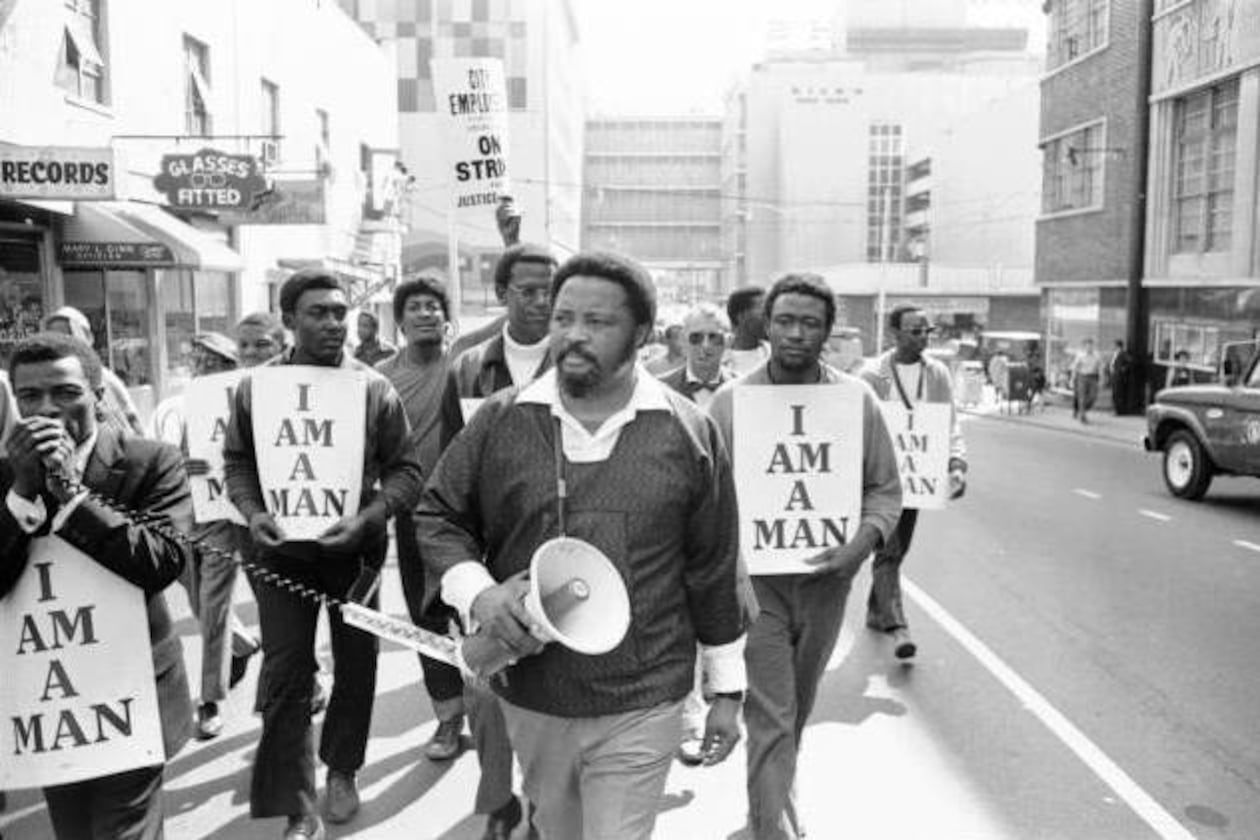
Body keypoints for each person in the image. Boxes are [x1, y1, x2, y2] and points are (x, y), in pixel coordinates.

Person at [419, 251, 748, 840]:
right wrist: (481, 595)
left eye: (597, 323)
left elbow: (714, 564)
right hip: (534, 690)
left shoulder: (690, 432)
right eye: (563, 317)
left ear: (643, 335)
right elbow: (438, 514)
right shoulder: (501, 420)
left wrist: (726, 687)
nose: (573, 334)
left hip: (645, 695)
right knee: (555, 826)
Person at [223, 269, 424, 840]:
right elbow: (237, 462)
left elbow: (405, 473)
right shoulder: (254, 389)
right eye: (318, 312)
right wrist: (251, 509)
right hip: (282, 553)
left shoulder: (374, 389)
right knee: (287, 671)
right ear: (289, 321)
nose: (333, 322)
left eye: (339, 312)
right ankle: (297, 802)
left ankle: (342, 770)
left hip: (354, 553)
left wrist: (369, 518)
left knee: (356, 661)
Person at [707, 272, 902, 840]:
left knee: (795, 710)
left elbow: (885, 489)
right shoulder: (729, 402)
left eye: (810, 323)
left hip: (825, 587)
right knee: (771, 715)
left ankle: (764, 813)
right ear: (766, 326)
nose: (796, 333)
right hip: (755, 590)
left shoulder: (855, 399)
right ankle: (775, 830)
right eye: (785, 321)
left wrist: (860, 545)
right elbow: (707, 502)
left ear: (827, 331)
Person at [0, 331, 194, 838]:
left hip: (130, 693)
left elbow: (162, 562)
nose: (47, 408)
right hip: (50, 702)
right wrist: (22, 492)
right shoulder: (5, 473)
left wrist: (70, 494)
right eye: (30, 396)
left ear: (97, 394)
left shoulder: (152, 461)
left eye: (65, 392)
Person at [438, 240, 560, 840]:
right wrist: (461, 586)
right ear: (502, 295)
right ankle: (498, 804)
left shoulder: (578, 361)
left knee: (547, 706)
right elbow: (444, 488)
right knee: (484, 695)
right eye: (529, 290)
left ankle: (541, 811)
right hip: (487, 568)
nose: (542, 301)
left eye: (551, 289)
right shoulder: (466, 367)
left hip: (561, 562)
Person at [373, 276, 470, 768]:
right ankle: (449, 715)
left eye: (435, 306)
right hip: (413, 517)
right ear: (401, 319)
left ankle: (496, 715)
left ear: (447, 317)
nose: (426, 314)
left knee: (479, 615)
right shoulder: (379, 377)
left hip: (473, 514)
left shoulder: (468, 366)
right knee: (426, 617)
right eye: (416, 307)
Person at [148, 332, 261, 740]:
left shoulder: (252, 399)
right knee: (205, 604)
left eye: (212, 359)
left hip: (243, 516)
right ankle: (228, 670)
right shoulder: (185, 405)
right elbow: (168, 457)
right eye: (198, 357)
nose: (203, 364)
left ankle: (215, 696)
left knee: (242, 605)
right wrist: (185, 465)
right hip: (199, 517)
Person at [657, 301, 738, 766]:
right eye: (697, 337)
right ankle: (689, 721)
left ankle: (723, 700)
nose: (706, 347)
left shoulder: (747, 394)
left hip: (730, 524)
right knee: (683, 619)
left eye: (716, 338)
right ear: (681, 341)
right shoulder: (658, 391)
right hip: (678, 526)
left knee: (723, 617)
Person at [861, 306, 966, 660]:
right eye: (915, 331)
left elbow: (949, 422)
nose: (923, 337)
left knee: (897, 550)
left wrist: (956, 461)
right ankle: (897, 627)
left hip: (916, 479)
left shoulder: (936, 373)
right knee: (888, 552)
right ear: (894, 334)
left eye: (927, 331)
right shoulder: (872, 375)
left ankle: (877, 611)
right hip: (879, 480)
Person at [43, 306, 145, 436]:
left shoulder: (104, 378)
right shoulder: (44, 380)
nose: (59, 342)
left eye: (66, 335)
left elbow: (131, 418)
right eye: (53, 336)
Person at [723, 284, 770, 378]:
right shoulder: (717, 357)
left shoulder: (774, 357)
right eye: (764, 313)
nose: (769, 318)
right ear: (741, 316)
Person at [1071, 338, 1103, 423]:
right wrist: (1072, 379)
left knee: (1093, 396)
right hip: (1082, 376)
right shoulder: (1080, 355)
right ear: (1084, 347)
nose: (1089, 348)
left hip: (1093, 377)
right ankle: (1083, 416)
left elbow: (1100, 368)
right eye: (1088, 346)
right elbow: (1075, 367)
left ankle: (1082, 409)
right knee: (1082, 397)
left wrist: (1101, 379)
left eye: (1091, 346)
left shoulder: (1097, 355)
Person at [1109, 340, 1135, 415]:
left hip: (1119, 377)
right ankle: (1116, 409)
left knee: (1118, 393)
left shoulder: (1123, 353)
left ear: (1118, 346)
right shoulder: (1115, 354)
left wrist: (1123, 369)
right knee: (1114, 393)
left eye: (1114, 345)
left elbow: (1131, 361)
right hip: (1114, 376)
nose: (1113, 347)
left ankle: (1119, 410)